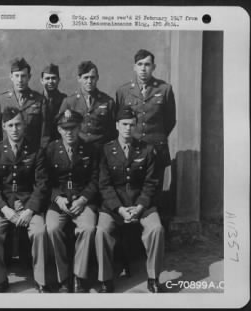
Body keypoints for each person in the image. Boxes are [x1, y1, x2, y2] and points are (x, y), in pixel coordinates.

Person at [95, 109, 164, 293]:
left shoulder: (147, 149)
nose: (128, 128)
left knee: (156, 229)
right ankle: (106, 279)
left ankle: (153, 277)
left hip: (142, 204)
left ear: (136, 126)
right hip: (114, 206)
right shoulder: (106, 150)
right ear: (117, 126)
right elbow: (104, 185)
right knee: (101, 231)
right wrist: (119, 209)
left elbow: (151, 183)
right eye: (124, 124)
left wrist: (140, 207)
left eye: (132, 124)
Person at [0, 107, 49, 293]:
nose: (15, 129)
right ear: (4, 127)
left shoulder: (36, 151)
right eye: (11, 125)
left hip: (29, 204)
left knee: (39, 231)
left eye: (18, 124)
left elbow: (42, 184)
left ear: (24, 126)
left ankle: (41, 281)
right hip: (3, 206)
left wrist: (30, 209)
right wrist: (5, 209)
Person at [45, 109, 98, 293]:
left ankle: (79, 277)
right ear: (59, 129)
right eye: (64, 128)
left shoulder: (89, 149)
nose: (69, 132)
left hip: (82, 201)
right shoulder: (51, 149)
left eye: (73, 128)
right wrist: (57, 198)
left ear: (80, 127)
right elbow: (45, 180)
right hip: (58, 202)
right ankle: (63, 278)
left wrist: (83, 200)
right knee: (52, 228)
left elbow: (95, 179)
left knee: (88, 228)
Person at [115, 49, 176, 192]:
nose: (143, 68)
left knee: (154, 189)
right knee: (132, 188)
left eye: (147, 64)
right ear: (134, 67)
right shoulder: (123, 91)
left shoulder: (165, 89)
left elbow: (170, 120)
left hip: (156, 147)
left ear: (153, 67)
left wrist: (155, 136)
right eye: (140, 64)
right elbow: (119, 119)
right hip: (133, 147)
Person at [0, 57, 50, 148]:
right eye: (17, 76)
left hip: (32, 153)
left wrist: (42, 154)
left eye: (23, 76)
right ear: (11, 77)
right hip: (8, 154)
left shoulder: (40, 100)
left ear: (29, 77)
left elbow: (45, 133)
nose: (20, 80)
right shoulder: (1, 100)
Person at [59, 61, 116, 148]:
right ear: (79, 79)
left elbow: (112, 130)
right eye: (86, 78)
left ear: (97, 78)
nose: (89, 81)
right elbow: (61, 128)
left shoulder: (108, 101)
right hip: (78, 149)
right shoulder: (69, 102)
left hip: (101, 149)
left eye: (92, 77)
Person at [40, 63, 67, 141]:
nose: (50, 81)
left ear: (59, 80)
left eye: (53, 78)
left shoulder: (65, 100)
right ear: (42, 80)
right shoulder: (36, 101)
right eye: (47, 78)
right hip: (39, 145)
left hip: (58, 143)